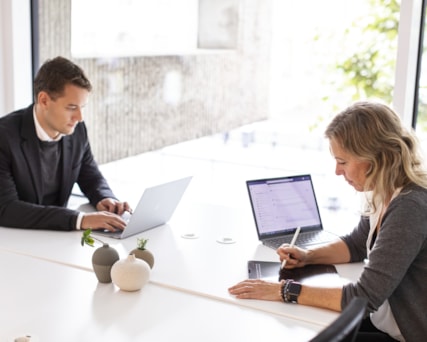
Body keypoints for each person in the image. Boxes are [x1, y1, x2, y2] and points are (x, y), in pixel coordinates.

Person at [228, 102, 427, 342]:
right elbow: (355, 244)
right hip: (384, 320)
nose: (337, 171)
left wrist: (283, 290)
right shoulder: (385, 190)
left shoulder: (409, 207)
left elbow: (363, 298)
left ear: (377, 157)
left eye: (343, 162)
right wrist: (308, 257)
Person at [0, 56, 131, 232]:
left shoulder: (76, 129)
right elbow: (7, 209)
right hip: (16, 240)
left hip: (58, 237)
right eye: (71, 107)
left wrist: (105, 198)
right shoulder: (4, 136)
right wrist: (79, 220)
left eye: (81, 108)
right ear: (44, 100)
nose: (79, 117)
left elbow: (90, 175)